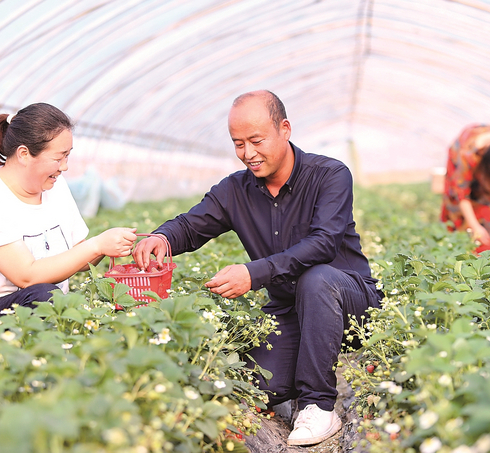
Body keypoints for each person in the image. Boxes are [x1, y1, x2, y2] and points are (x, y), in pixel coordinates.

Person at [133, 90, 382, 446]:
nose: (248, 153)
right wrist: (162, 238)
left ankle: (319, 405)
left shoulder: (329, 175)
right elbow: (191, 224)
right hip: (290, 311)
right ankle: (295, 391)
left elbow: (324, 243)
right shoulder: (236, 190)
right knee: (259, 384)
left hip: (349, 305)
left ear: (285, 128)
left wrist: (254, 273)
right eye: (238, 143)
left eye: (256, 140)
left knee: (317, 277)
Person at [0, 103, 136, 327]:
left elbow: (80, 256)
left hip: (45, 308)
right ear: (24, 154)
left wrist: (110, 244)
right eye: (59, 158)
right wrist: (96, 245)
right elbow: (26, 277)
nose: (64, 167)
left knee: (48, 297)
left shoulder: (56, 188)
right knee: (43, 295)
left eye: (68, 156)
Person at [440, 124, 490, 253]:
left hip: (487, 166)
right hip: (462, 167)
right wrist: (475, 226)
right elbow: (461, 193)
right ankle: (464, 252)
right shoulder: (466, 154)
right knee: (461, 216)